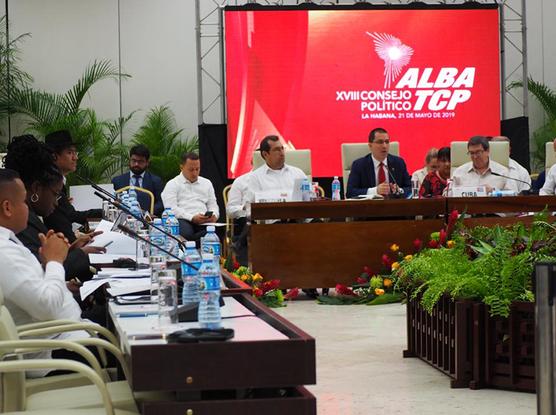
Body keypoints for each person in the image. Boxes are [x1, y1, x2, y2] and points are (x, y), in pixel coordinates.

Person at [0, 168, 87, 375]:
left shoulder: (9, 243)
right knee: (138, 348)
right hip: (59, 354)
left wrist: (59, 281)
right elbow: (45, 306)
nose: (27, 208)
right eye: (24, 202)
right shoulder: (3, 253)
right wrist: (55, 262)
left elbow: (30, 293)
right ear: (7, 208)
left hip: (68, 337)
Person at [4, 135, 105, 285]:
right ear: (36, 189)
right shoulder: (18, 224)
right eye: (55, 194)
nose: (56, 203)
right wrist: (80, 255)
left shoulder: (30, 217)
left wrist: (70, 250)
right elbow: (38, 275)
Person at [43, 130, 102, 243]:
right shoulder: (49, 185)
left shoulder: (59, 181)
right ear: (54, 156)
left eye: (76, 153)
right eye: (70, 153)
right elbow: (71, 216)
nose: (75, 158)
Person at [161, 152, 219, 243]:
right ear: (181, 167)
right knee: (186, 233)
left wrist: (214, 215)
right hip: (183, 219)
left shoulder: (207, 183)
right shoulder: (172, 184)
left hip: (204, 219)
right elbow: (171, 209)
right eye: (191, 170)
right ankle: (193, 246)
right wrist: (192, 217)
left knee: (217, 232)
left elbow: (213, 205)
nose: (195, 173)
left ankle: (197, 242)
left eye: (197, 169)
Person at [346, 127, 411, 198]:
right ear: (370, 146)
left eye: (387, 142)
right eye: (380, 142)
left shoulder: (398, 163)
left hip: (393, 207)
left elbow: (410, 189)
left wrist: (399, 190)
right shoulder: (359, 165)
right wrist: (375, 190)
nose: (384, 146)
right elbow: (350, 192)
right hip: (369, 207)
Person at [112, 144, 164, 216]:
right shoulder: (117, 181)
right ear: (129, 160)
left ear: (147, 163)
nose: (136, 164)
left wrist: (146, 213)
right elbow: (113, 202)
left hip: (147, 220)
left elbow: (161, 203)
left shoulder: (156, 181)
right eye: (134, 160)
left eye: (141, 161)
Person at [226, 170, 252, 266]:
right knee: (250, 220)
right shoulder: (241, 181)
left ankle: (238, 242)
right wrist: (243, 207)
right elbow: (230, 210)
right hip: (246, 218)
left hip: (273, 218)